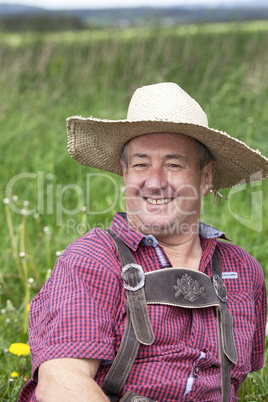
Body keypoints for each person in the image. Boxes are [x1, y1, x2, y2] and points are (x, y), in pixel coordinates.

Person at [19, 82, 267, 402]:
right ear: (125, 173)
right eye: (141, 164)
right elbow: (62, 383)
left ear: (206, 177)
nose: (154, 182)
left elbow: (235, 384)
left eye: (173, 164)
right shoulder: (92, 260)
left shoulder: (244, 271)